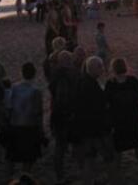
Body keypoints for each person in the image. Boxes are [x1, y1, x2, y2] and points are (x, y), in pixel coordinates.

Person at [73, 56, 113, 185]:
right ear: (91, 69)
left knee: (89, 158)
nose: (102, 69)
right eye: (99, 67)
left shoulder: (83, 82)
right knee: (107, 157)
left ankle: (90, 180)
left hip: (85, 129)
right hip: (94, 130)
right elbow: (100, 107)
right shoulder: (90, 85)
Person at [105, 58, 138, 183]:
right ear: (125, 67)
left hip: (118, 123)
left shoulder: (110, 84)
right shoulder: (133, 81)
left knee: (117, 154)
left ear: (113, 69)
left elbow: (106, 103)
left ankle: (117, 180)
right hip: (133, 121)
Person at [5, 62, 44, 176]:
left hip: (14, 124)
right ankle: (24, 177)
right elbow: (38, 113)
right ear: (34, 74)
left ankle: (9, 178)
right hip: (29, 127)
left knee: (11, 157)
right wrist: (41, 130)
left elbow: (9, 108)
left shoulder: (14, 87)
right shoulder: (36, 91)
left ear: (22, 73)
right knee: (28, 158)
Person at [48, 51, 78, 185]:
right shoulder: (64, 76)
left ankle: (60, 174)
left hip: (58, 113)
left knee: (61, 146)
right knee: (62, 146)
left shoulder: (55, 74)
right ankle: (60, 175)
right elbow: (62, 96)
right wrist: (69, 113)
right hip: (64, 115)